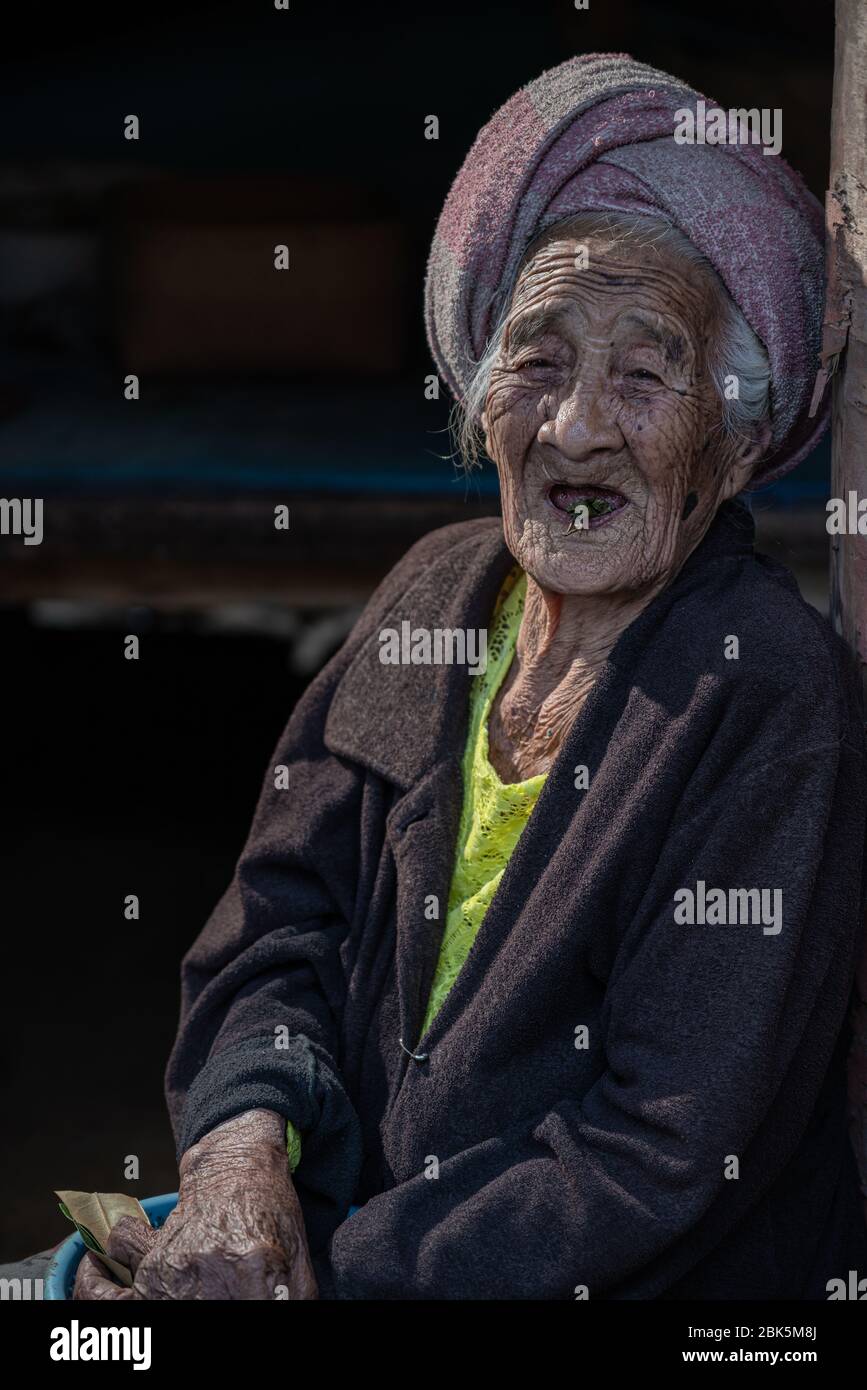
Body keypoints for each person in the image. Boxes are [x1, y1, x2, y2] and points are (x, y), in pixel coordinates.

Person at [77, 52, 867, 1301]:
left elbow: (658, 1157)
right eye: (540, 361)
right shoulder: (437, 592)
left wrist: (331, 1275)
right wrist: (239, 1163)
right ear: (480, 390)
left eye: (645, 374)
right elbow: (281, 923)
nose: (574, 427)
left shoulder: (764, 693)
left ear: (732, 431)